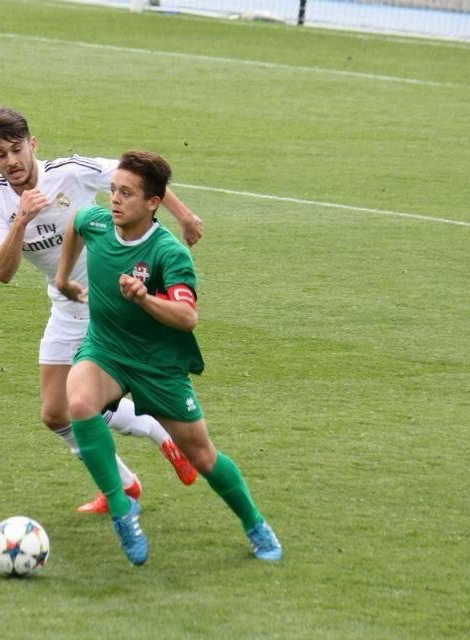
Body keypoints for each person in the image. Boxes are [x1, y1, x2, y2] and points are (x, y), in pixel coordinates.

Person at [55, 150, 282, 565]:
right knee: (79, 403)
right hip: (106, 349)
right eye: (113, 191)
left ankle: (254, 522)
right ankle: (122, 509)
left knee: (203, 456)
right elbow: (75, 223)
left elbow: (187, 316)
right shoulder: (98, 223)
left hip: (158, 365)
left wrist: (145, 299)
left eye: (126, 193)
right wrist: (63, 278)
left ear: (153, 202)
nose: (115, 201)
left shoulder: (168, 253)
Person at [0, 107, 204, 513]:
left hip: (112, 302)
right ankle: (132, 473)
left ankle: (139, 468)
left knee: (88, 402)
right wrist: (20, 221)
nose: (11, 161)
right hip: (65, 306)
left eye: (16, 149)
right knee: (54, 413)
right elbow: (1, 272)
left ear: (32, 145)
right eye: (0, 154)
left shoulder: (70, 171)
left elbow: (140, 177)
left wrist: (184, 216)